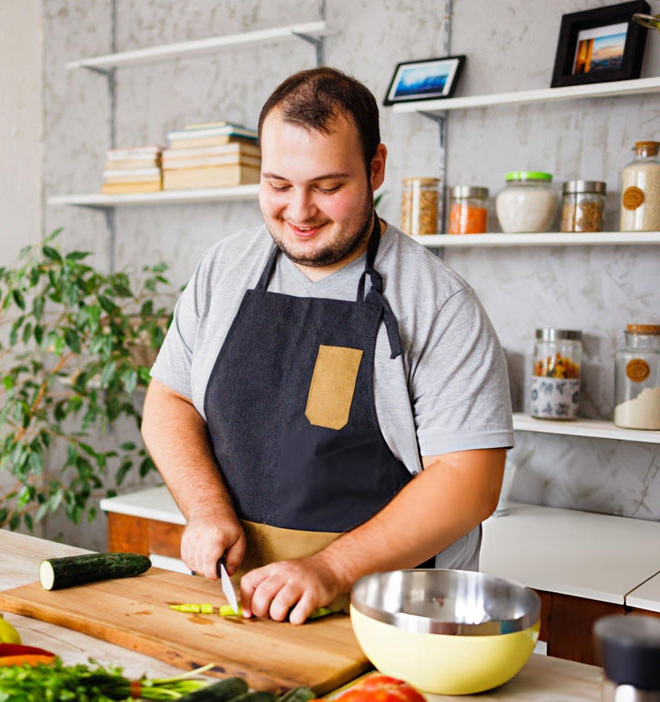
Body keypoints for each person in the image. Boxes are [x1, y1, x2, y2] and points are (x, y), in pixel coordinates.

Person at [141, 67, 513, 625]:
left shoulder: (440, 303)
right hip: (246, 606)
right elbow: (168, 403)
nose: (299, 212)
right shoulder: (223, 270)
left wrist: (332, 569)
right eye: (278, 185)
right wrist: (206, 509)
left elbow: (469, 480)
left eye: (328, 187)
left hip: (393, 617)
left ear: (376, 168)